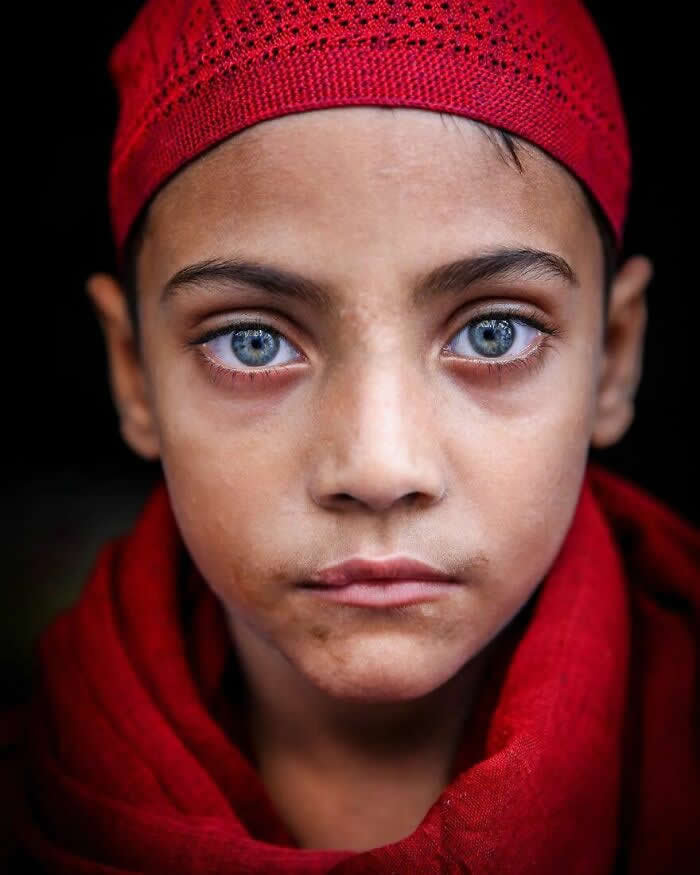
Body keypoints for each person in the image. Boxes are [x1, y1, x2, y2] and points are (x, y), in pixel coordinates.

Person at [2, 0, 698, 872]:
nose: (379, 466)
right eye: (252, 341)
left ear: (614, 357)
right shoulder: (32, 792)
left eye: (494, 333)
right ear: (133, 374)